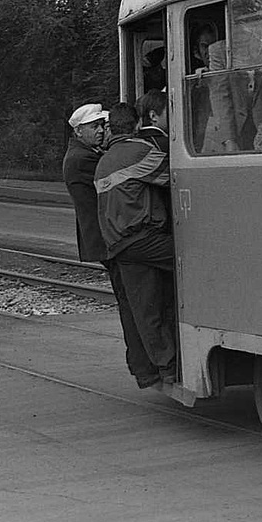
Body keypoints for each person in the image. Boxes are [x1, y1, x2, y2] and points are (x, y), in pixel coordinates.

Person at [63, 104, 155, 388]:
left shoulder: (85, 153)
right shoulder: (83, 159)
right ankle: (143, 365)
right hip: (109, 240)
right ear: (79, 131)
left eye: (103, 126)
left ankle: (142, 363)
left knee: (130, 300)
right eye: (95, 127)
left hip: (106, 239)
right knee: (132, 301)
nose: (102, 131)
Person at [95, 102, 177, 390]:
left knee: (144, 310)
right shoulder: (139, 151)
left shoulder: (104, 160)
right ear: (136, 125)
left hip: (119, 245)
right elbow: (174, 177)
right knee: (194, 261)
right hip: (143, 238)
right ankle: (172, 361)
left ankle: (161, 369)